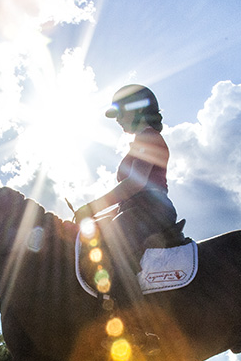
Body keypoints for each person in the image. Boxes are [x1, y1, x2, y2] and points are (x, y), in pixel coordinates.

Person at [73, 84, 181, 316]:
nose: (118, 120)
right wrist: (92, 217)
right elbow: (126, 200)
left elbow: (135, 184)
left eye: (120, 113)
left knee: (114, 249)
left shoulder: (150, 138)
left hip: (151, 209)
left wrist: (91, 208)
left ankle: (139, 328)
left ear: (137, 109)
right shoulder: (139, 142)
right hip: (135, 209)